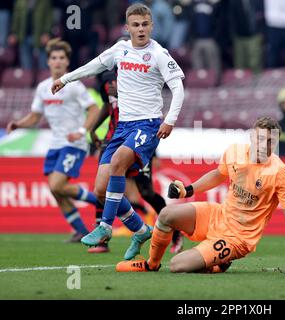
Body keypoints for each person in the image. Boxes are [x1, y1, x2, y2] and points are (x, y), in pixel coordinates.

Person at [51, 3, 185, 260]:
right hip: (122, 126)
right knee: (100, 188)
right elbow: (94, 66)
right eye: (136, 25)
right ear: (127, 27)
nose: (141, 29)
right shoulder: (120, 49)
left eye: (145, 24)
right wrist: (65, 79)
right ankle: (140, 228)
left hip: (147, 124)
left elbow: (178, 88)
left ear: (151, 26)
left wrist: (170, 119)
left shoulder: (159, 53)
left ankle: (104, 227)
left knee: (118, 164)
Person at [116, 117, 285, 276]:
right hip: (219, 215)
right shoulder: (235, 151)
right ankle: (151, 264)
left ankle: (219, 263)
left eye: (271, 141)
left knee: (177, 265)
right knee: (165, 215)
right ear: (252, 137)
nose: (265, 145)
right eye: (261, 139)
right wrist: (188, 190)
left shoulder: (279, 172)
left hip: (238, 238)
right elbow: (218, 175)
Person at [6, 39, 100, 242]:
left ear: (67, 63)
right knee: (55, 190)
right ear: (48, 62)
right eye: (54, 58)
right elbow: (35, 117)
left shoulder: (74, 85)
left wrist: (82, 131)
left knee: (57, 185)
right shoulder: (42, 87)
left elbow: (94, 109)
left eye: (61, 58)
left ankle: (102, 201)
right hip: (55, 144)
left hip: (74, 143)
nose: (57, 62)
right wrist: (18, 124)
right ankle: (81, 231)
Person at [88, 67, 183, 254]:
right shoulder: (106, 84)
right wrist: (93, 129)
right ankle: (105, 238)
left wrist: (153, 153)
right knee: (101, 189)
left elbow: (150, 119)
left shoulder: (137, 83)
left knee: (146, 193)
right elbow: (107, 106)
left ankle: (175, 232)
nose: (112, 85)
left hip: (137, 143)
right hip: (112, 142)